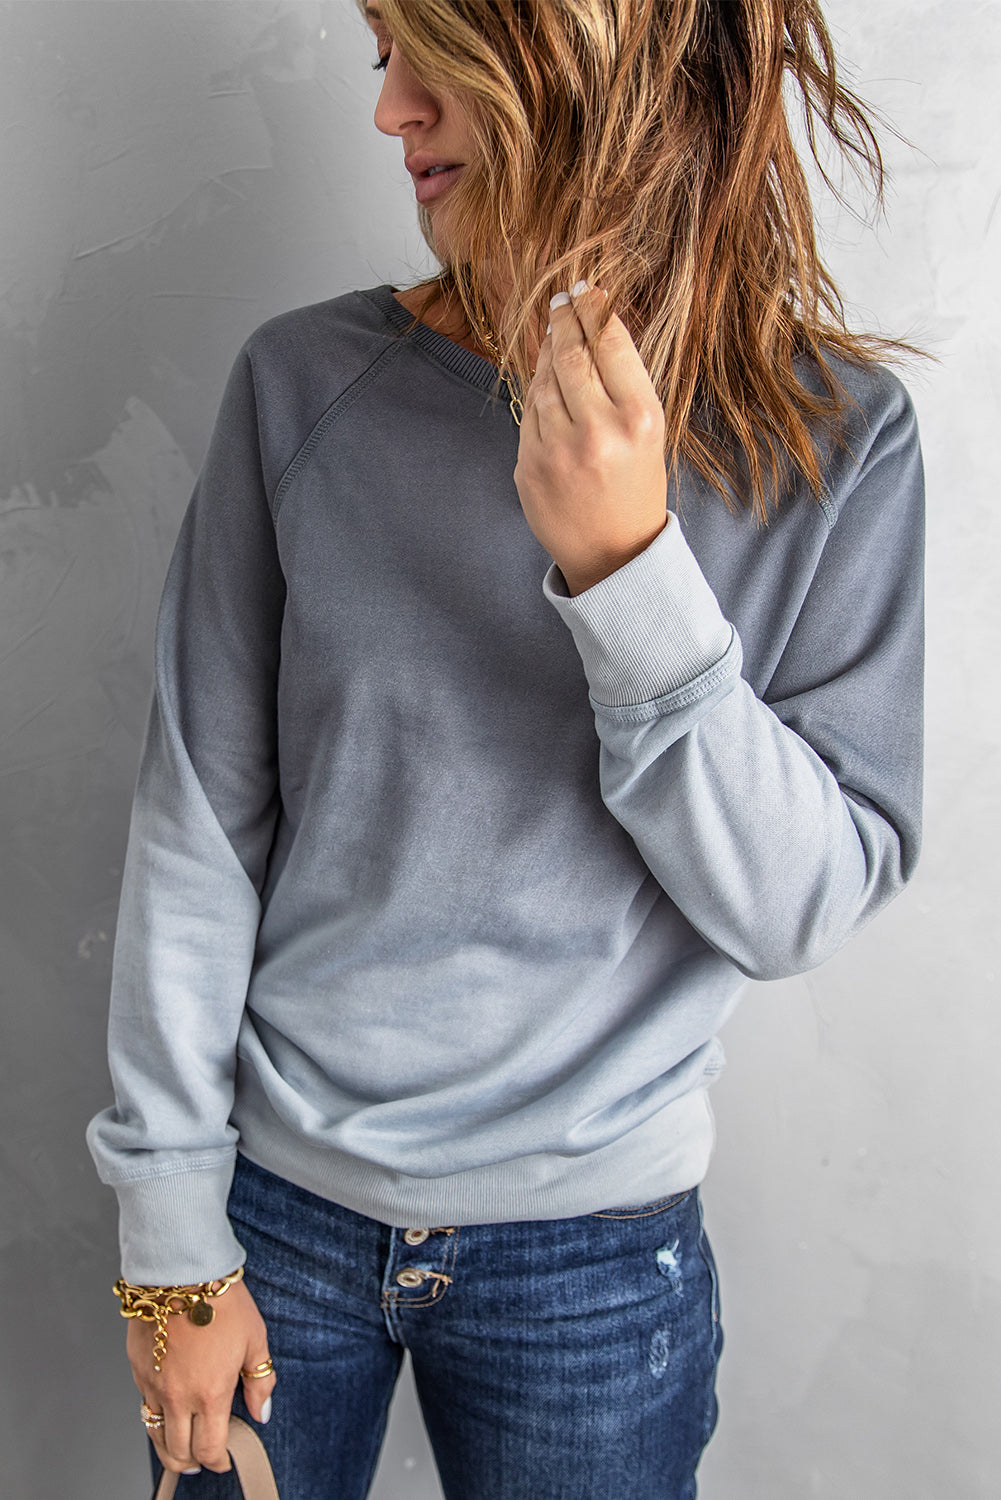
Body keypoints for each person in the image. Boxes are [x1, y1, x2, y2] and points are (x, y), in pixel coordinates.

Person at [87, 1, 925, 1496]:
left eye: (435, 60)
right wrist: (167, 1249)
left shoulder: (834, 440)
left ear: (596, 69)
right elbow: (196, 830)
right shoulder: (301, 387)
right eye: (378, 59)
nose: (389, 112)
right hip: (269, 1228)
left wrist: (627, 573)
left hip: (598, 1272)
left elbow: (797, 905)